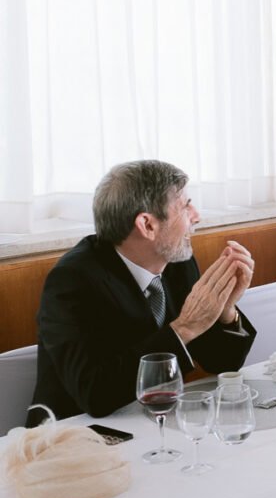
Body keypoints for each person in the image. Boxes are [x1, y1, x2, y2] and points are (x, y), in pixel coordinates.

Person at [30, 160, 257, 425]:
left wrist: (225, 310)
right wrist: (184, 328)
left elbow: (220, 362)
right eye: (185, 206)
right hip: (73, 436)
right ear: (147, 225)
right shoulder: (72, 281)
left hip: (151, 422)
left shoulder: (177, 262)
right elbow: (94, 393)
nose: (196, 215)